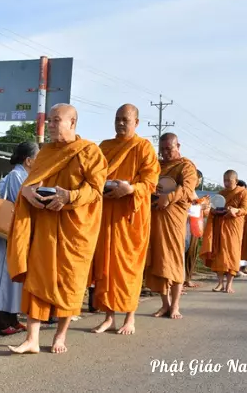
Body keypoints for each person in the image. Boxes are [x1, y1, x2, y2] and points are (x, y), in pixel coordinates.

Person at [6, 104, 107, 354]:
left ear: (72, 123)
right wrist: (27, 192)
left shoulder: (90, 152)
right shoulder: (45, 153)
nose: (50, 125)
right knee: (37, 280)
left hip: (76, 229)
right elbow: (30, 185)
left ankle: (60, 336)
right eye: (49, 120)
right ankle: (31, 339)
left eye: (56, 120)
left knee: (69, 283)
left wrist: (70, 196)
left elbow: (95, 190)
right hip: (46, 227)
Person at [90, 104, 159, 335]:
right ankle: (109, 316)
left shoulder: (144, 147)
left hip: (131, 216)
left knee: (129, 267)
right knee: (106, 266)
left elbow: (150, 182)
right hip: (107, 212)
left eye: (125, 120)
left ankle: (130, 317)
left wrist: (130, 189)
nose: (120, 123)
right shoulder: (105, 146)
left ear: (136, 123)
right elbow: (95, 173)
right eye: (117, 119)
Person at [0, 141, 38, 335]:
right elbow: (21, 201)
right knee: (3, 278)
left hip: (17, 233)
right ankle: (1, 323)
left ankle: (13, 319)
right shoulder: (17, 175)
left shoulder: (23, 175)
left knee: (14, 277)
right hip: (7, 232)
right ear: (29, 160)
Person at [145, 133, 197, 319]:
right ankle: (164, 304)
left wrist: (169, 198)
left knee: (174, 260)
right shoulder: (157, 166)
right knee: (158, 260)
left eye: (170, 148)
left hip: (173, 219)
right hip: (155, 216)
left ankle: (175, 305)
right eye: (163, 149)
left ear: (178, 146)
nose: (166, 153)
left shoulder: (186, 166)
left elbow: (187, 189)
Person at [201, 170, 247, 293]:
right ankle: (220, 283)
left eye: (229, 180)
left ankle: (229, 284)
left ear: (236, 181)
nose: (226, 183)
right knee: (218, 254)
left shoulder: (244, 193)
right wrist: (214, 211)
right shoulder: (221, 194)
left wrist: (235, 210)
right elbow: (212, 209)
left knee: (232, 254)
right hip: (220, 226)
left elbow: (244, 209)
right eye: (225, 180)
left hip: (233, 228)